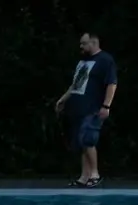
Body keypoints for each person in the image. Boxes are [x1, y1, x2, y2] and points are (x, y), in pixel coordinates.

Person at [54, 32, 117, 187]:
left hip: (93, 108)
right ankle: (84, 177)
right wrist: (63, 99)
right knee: (81, 142)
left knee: (88, 139)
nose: (81, 46)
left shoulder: (105, 60)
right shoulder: (83, 61)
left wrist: (106, 105)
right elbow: (75, 84)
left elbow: (112, 83)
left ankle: (95, 174)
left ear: (94, 43)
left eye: (84, 43)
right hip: (78, 108)